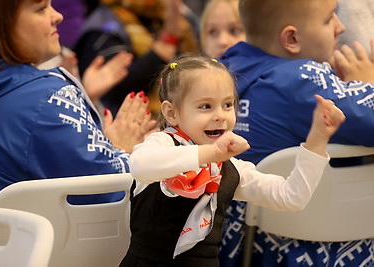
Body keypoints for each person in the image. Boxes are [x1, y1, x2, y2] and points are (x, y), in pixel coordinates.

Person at [119, 54, 345, 266]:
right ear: (171, 113)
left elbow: (290, 197)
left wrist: (317, 140)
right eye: (205, 106)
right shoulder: (163, 144)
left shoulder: (230, 168)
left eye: (227, 104)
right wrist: (211, 154)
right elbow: (140, 165)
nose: (220, 115)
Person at [0, 0, 155, 244]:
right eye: (41, 8)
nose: (57, 16)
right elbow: (112, 195)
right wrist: (120, 148)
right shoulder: (49, 98)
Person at [218, 0, 374, 266]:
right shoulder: (301, 79)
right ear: (291, 38)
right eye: (329, 19)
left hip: (245, 249)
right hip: (314, 251)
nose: (341, 27)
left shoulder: (220, 72)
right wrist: (366, 84)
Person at [74, 0, 200, 116]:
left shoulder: (171, 15)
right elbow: (122, 87)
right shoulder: (102, 26)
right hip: (124, 125)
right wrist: (168, 40)